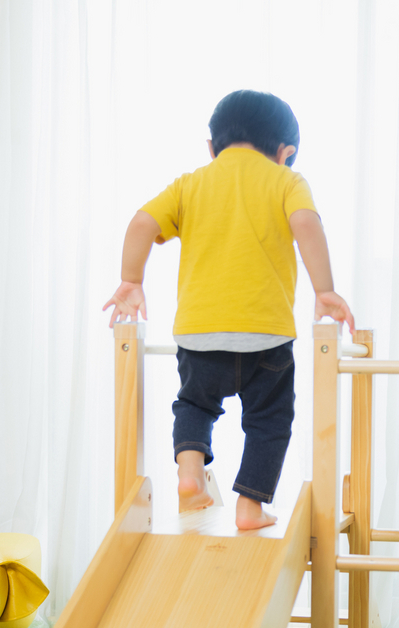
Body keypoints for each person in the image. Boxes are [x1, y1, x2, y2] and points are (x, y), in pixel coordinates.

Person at [103, 89, 354, 530]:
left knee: (195, 405)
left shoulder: (191, 183)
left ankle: (189, 475)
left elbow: (143, 222)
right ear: (285, 152)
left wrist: (132, 280)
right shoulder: (286, 182)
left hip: (199, 333)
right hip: (266, 335)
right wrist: (325, 289)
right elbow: (305, 222)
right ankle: (249, 506)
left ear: (211, 146)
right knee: (270, 421)